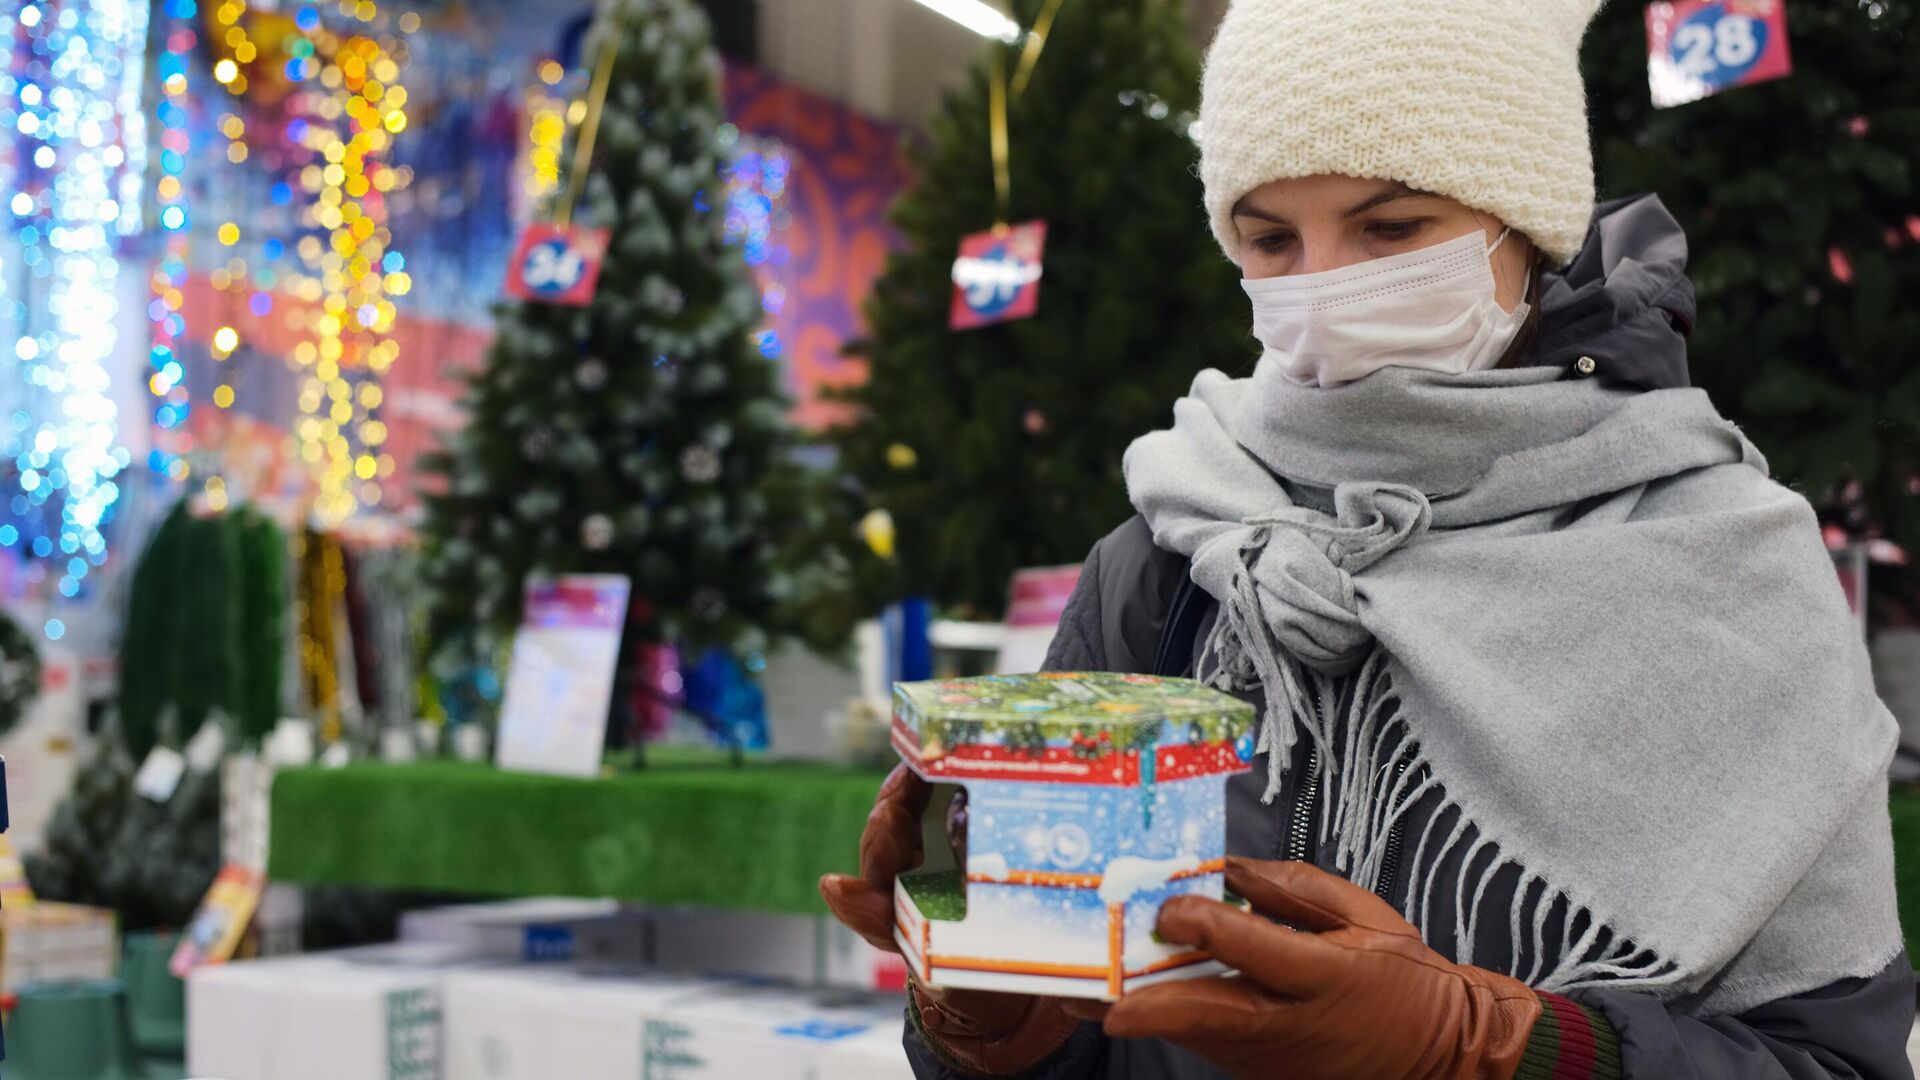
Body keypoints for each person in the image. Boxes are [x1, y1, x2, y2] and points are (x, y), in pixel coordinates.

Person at [822, 0, 1917, 1076]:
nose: (1326, 288)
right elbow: (1094, 1038)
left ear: (1524, 230)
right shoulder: (1171, 550)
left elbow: (1833, 1060)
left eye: (1392, 229)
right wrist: (994, 1019)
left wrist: (1495, 1051)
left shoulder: (1725, 569)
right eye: (1269, 238)